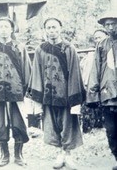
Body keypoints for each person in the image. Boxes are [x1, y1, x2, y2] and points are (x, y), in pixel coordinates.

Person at [27, 17, 85, 170]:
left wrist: (74, 96)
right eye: (49, 28)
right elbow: (37, 73)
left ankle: (68, 154)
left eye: (54, 27)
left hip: (65, 95)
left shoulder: (69, 48)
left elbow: (74, 73)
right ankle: (59, 153)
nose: (52, 30)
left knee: (67, 125)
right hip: (48, 94)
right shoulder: (40, 49)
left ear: (60, 28)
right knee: (52, 125)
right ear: (45, 30)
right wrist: (38, 96)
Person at [0, 17, 31, 167]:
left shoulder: (20, 47)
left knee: (19, 123)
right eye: (1, 26)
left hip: (17, 92)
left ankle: (19, 155)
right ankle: (4, 155)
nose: (3, 29)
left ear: (11, 29)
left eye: (6, 26)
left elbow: (27, 69)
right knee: (0, 124)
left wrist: (26, 90)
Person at [86, 11, 117, 170]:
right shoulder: (102, 45)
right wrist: (93, 93)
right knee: (111, 130)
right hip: (108, 94)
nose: (111, 28)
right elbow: (95, 69)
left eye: (114, 24)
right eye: (108, 25)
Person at [80, 29, 108, 133]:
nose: (97, 40)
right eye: (95, 38)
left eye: (100, 37)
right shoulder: (90, 54)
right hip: (92, 86)